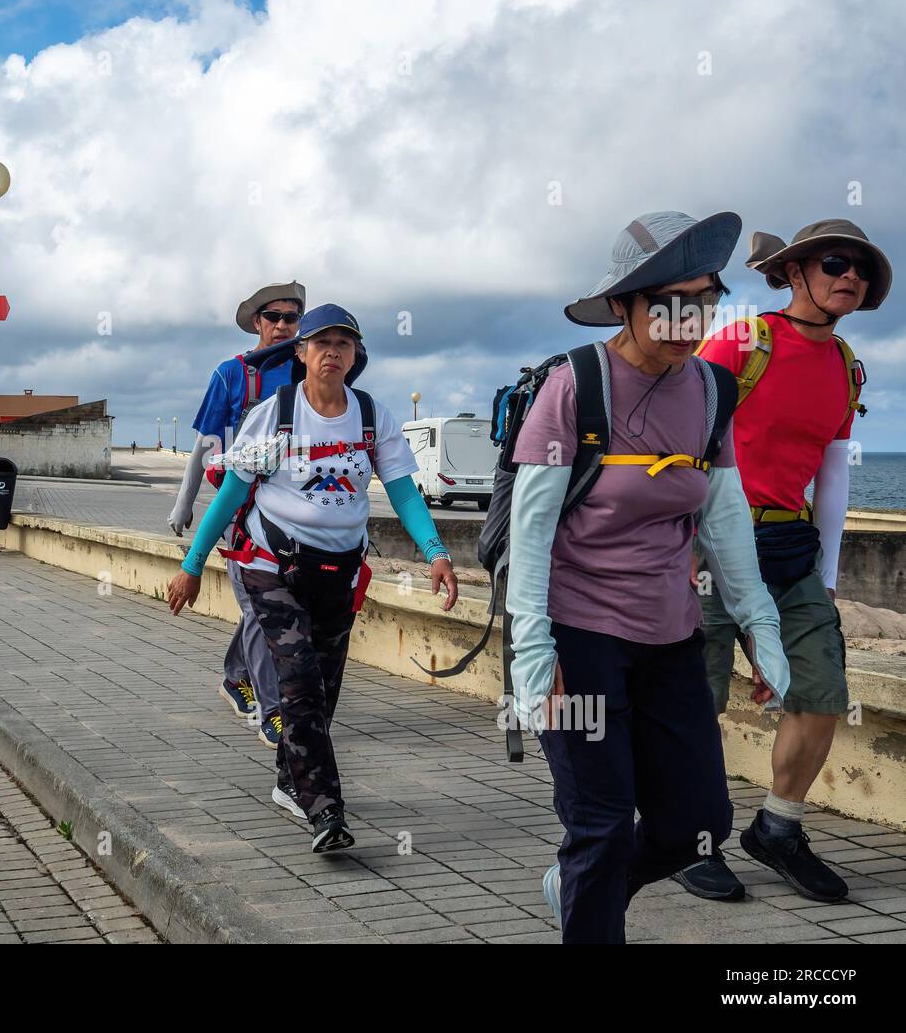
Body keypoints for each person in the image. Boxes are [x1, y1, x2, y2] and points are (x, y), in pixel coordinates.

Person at [507, 211, 791, 943]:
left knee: (698, 823)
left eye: (701, 300)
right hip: (576, 639)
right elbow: (531, 535)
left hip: (670, 638)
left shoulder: (711, 393)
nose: (684, 318)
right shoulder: (575, 387)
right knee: (600, 827)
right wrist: (534, 656)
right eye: (665, 300)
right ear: (625, 305)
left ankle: (578, 888)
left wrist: (760, 625)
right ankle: (589, 892)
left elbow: (724, 524)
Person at [167, 305, 458, 852]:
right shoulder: (274, 415)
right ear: (300, 353)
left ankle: (288, 780)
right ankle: (325, 809)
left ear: (356, 356)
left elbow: (401, 492)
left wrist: (436, 552)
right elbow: (231, 492)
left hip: (339, 572)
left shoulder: (373, 417)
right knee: (298, 680)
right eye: (321, 342)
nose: (332, 352)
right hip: (269, 566)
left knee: (321, 691)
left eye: (344, 344)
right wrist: (192, 565)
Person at [675, 220, 892, 905]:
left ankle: (778, 829)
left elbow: (832, 475)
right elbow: (686, 437)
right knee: (694, 699)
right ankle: (686, 839)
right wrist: (676, 544)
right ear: (795, 273)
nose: (849, 275)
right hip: (711, 541)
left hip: (789, 550)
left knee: (821, 691)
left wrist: (826, 583)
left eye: (861, 268)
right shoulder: (744, 341)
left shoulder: (845, 364)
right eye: (835, 262)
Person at [169, 282, 304, 749]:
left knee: (267, 604)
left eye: (293, 316)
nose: (284, 324)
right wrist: (185, 504)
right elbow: (204, 446)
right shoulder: (232, 374)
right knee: (257, 604)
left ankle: (234, 676)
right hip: (239, 506)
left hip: (289, 508)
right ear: (257, 323)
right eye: (275, 317)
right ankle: (274, 710)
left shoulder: (308, 372)